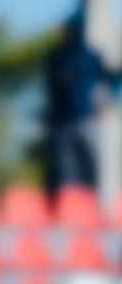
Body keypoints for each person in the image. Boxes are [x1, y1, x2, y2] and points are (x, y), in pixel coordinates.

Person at [43, 13, 122, 197]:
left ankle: (93, 203)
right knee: (65, 170)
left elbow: (112, 78)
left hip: (86, 119)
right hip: (62, 122)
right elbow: (51, 88)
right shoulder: (57, 57)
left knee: (92, 166)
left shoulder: (90, 56)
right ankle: (68, 204)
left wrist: (111, 99)